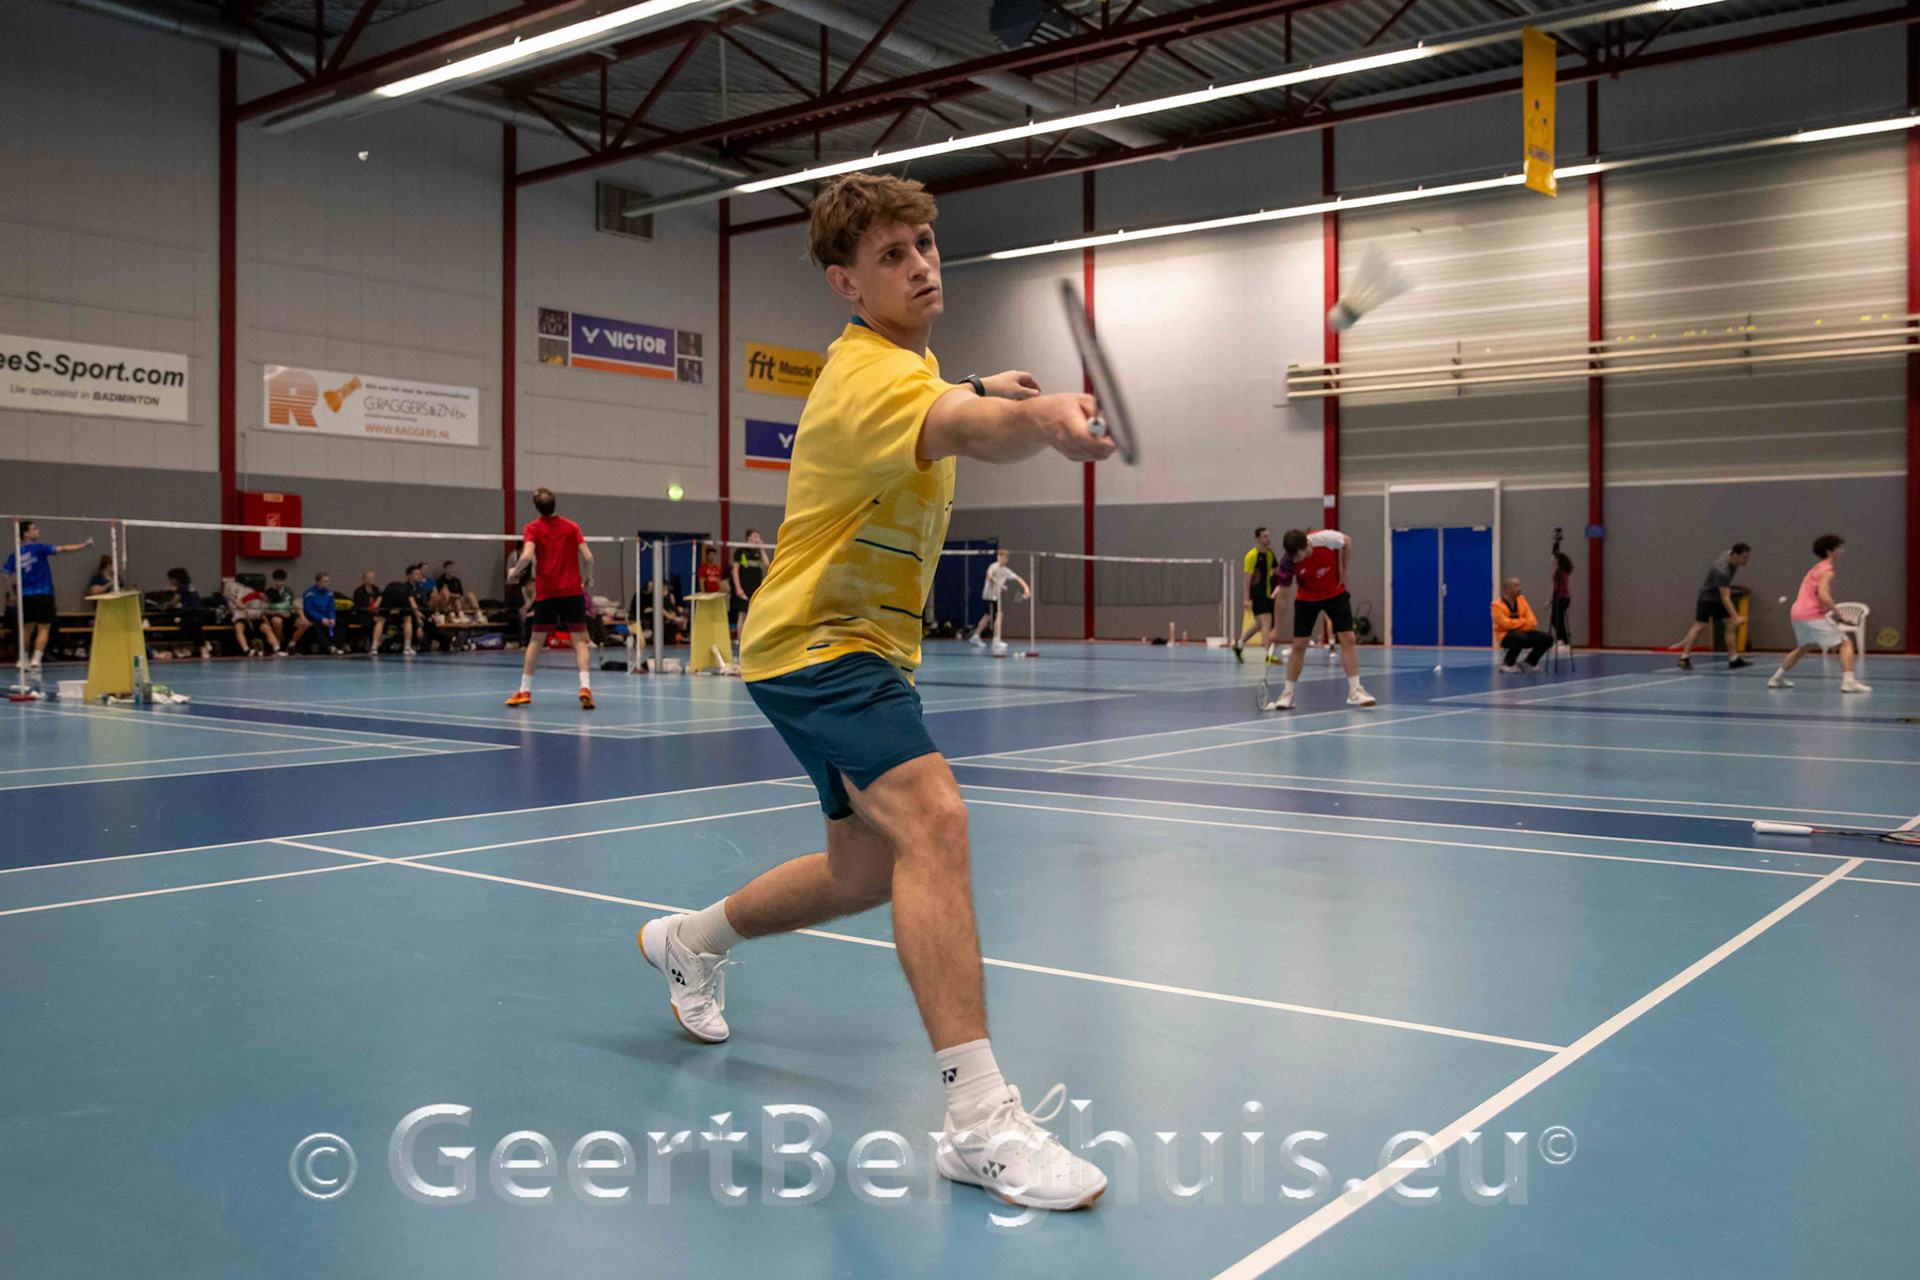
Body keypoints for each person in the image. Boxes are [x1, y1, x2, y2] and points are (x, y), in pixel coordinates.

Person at [635, 173, 1113, 1212]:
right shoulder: (869, 380)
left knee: (863, 871)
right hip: (823, 641)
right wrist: (1037, 415)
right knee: (935, 818)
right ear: (846, 283)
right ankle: (978, 1120)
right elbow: (963, 427)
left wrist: (984, 382)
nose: (922, 266)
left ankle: (689, 940)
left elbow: (945, 397)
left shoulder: (902, 362)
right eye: (893, 256)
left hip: (850, 647)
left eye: (926, 244)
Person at [505, 487, 596, 709]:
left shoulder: (532, 528)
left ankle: (524, 691)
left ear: (537, 507)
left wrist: (514, 571)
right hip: (572, 591)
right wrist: (588, 577)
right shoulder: (571, 526)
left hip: (547, 593)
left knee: (535, 642)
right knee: (580, 641)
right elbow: (588, 557)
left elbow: (527, 556)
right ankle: (585, 688)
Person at [1268, 528, 1375, 710]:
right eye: (1292, 557)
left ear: (1306, 546)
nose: (1296, 560)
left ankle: (1355, 691)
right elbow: (1283, 596)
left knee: (1348, 638)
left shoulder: (1325, 539)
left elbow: (1347, 541)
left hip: (1335, 593)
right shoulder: (1287, 561)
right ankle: (1287, 694)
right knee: (1299, 645)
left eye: (1298, 556)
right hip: (1307, 598)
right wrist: (1276, 628)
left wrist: (1344, 570)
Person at [1770, 534, 1870, 693]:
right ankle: (1848, 682)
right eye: (1838, 548)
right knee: (1845, 643)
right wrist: (1840, 615)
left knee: (1804, 647)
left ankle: (1776, 678)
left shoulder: (1814, 569)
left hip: (1797, 613)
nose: (1841, 551)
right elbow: (1823, 594)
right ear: (1830, 551)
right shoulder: (1827, 571)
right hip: (1811, 614)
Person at [4, 521, 94, 670]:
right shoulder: (39, 548)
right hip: (44, 593)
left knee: (26, 629)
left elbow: (6, 574)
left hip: (25, 596)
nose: (37, 530)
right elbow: (63, 549)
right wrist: (84, 545)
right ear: (26, 533)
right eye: (34, 529)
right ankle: (36, 660)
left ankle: (23, 659)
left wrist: (12, 593)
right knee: (44, 628)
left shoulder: (15, 555)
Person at [1677, 542, 1752, 670]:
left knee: (1730, 624)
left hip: (1718, 596)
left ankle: (1734, 659)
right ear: (1735, 555)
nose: (1746, 560)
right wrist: (1736, 617)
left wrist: (1734, 618)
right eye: (1744, 557)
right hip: (1708, 598)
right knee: (1699, 626)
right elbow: (1725, 597)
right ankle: (1684, 658)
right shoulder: (1722, 571)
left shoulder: (1730, 555)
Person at [968, 549, 1030, 654]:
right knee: (997, 615)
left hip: (995, 597)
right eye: (1003, 557)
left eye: (1006, 557)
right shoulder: (993, 566)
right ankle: (995, 640)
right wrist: (999, 583)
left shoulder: (1005, 570)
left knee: (988, 616)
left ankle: (977, 636)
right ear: (998, 557)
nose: (1005, 559)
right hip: (989, 595)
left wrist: (1026, 588)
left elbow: (1018, 578)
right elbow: (989, 575)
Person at [1231, 526, 1278, 664]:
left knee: (1258, 624)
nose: (1268, 539)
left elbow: (1275, 570)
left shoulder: (1270, 554)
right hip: (1257, 594)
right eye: (1264, 537)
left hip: (1269, 593)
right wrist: (1246, 598)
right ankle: (1268, 655)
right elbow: (1247, 579)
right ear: (1258, 539)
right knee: (1266, 621)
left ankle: (1239, 645)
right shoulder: (1251, 556)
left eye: (1268, 536)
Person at [1492, 577, 1553, 672]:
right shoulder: (1496, 606)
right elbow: (1505, 624)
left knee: (1547, 638)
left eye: (1519, 586)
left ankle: (1530, 662)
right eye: (1516, 586)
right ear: (1507, 590)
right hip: (1505, 636)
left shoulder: (1522, 601)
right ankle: (1507, 664)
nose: (1520, 589)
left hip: (1524, 633)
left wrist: (1517, 623)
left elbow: (1532, 622)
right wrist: (1523, 621)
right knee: (1519, 638)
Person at [221, 576, 280, 657]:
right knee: (239, 628)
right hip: (244, 617)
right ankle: (246, 650)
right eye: (268, 599)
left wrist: (267, 622)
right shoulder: (253, 595)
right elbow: (239, 603)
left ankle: (277, 649)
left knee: (267, 628)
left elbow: (262, 613)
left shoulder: (266, 602)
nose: (268, 601)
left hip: (256, 618)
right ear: (265, 595)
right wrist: (243, 608)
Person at [162, 567, 213, 659]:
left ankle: (203, 645)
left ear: (175, 578)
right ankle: (204, 644)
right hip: (201, 611)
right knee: (192, 627)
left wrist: (166, 607)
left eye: (171, 579)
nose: (171, 581)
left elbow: (174, 601)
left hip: (194, 611)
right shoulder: (189, 585)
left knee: (186, 625)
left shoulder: (182, 587)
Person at [729, 530, 769, 636]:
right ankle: (740, 639)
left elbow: (767, 564)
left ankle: (750, 638)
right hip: (744, 588)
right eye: (755, 536)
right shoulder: (741, 551)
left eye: (759, 536)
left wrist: (762, 549)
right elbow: (735, 570)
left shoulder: (758, 552)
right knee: (742, 614)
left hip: (756, 588)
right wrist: (738, 588)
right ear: (748, 538)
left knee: (753, 614)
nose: (757, 539)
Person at [371, 573, 420, 656]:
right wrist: (418, 618)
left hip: (388, 595)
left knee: (381, 622)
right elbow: (414, 605)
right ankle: (407, 648)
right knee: (407, 620)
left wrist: (377, 614)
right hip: (402, 595)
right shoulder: (406, 588)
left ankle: (374, 648)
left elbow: (376, 605)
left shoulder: (387, 589)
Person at [294, 571, 339, 654]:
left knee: (342, 623)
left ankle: (338, 644)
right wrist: (322, 619)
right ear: (318, 582)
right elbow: (309, 609)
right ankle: (328, 646)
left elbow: (331, 608)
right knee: (317, 624)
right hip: (313, 616)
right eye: (324, 581)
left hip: (326, 616)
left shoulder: (329, 594)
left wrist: (332, 618)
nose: (326, 584)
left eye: (328, 581)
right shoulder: (309, 593)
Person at [263, 569, 296, 653]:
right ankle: (278, 642)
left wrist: (294, 612)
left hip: (287, 614)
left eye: (282, 580)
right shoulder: (268, 592)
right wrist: (279, 612)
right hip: (274, 614)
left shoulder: (288, 591)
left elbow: (292, 604)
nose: (280, 582)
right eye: (278, 580)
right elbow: (265, 610)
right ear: (274, 580)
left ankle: (291, 645)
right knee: (277, 621)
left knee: (301, 623)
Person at [350, 571, 383, 651]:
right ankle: (372, 643)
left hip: (374, 613)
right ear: (364, 579)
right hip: (363, 614)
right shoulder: (359, 591)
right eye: (369, 577)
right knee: (371, 622)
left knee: (383, 620)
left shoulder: (376, 589)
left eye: (372, 577)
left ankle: (376, 643)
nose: (371, 579)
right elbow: (360, 606)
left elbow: (380, 599)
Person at [1548, 551, 1574, 653]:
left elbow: (1558, 587)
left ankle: (1563, 641)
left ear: (1557, 560)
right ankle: (1562, 640)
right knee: (1556, 620)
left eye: (1553, 558)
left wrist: (1554, 598)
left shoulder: (1559, 572)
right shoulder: (1560, 571)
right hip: (1561, 597)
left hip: (1561, 597)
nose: (1551, 560)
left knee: (1558, 620)